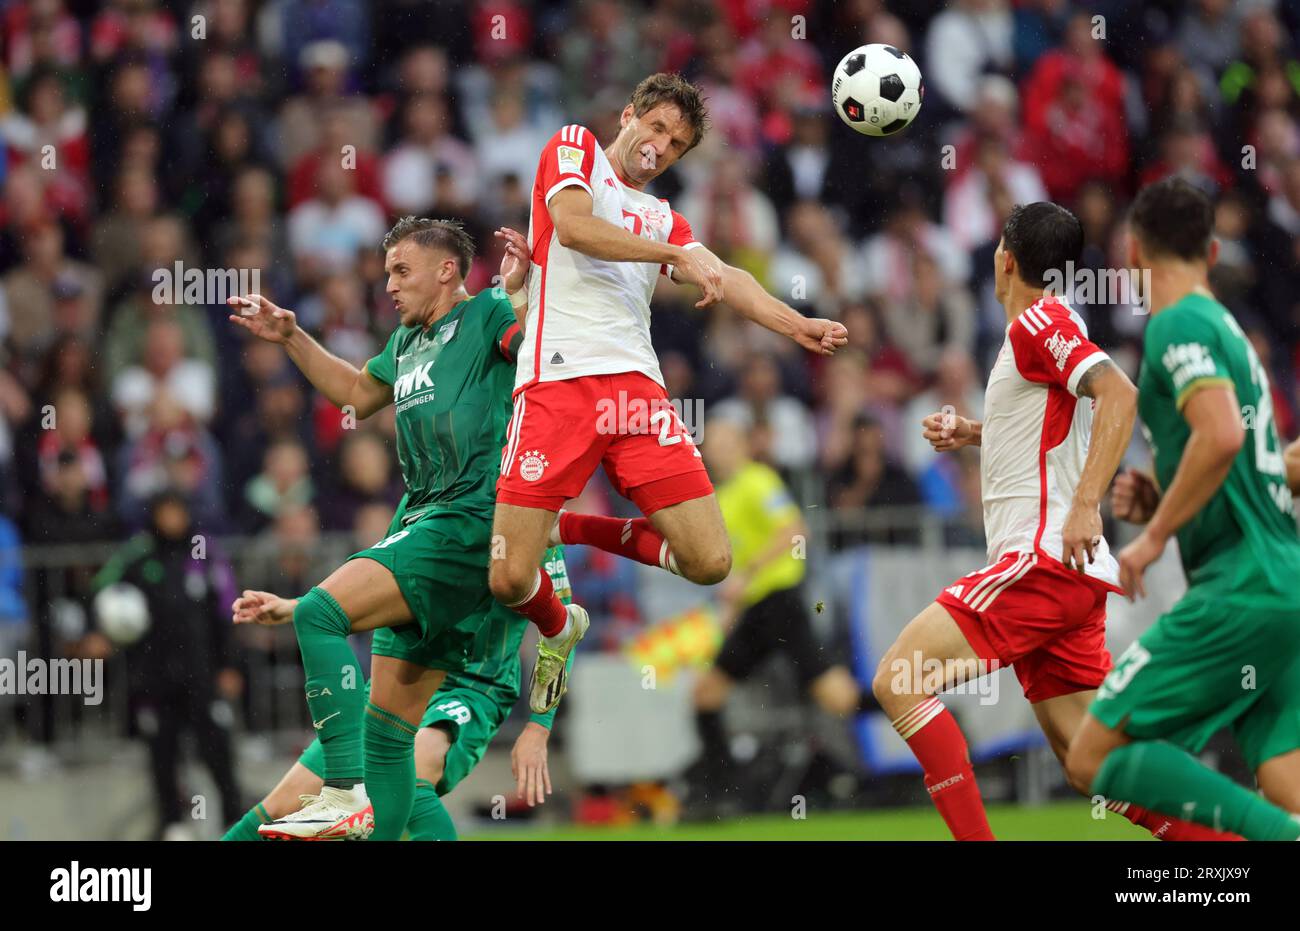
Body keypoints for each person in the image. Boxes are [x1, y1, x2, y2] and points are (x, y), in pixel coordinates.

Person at [488, 73, 848, 715]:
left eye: (676, 144)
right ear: (628, 115)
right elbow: (572, 228)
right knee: (510, 577)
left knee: (710, 561)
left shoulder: (663, 217)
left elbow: (726, 276)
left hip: (636, 393)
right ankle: (561, 623)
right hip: (557, 383)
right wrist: (672, 257)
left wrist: (799, 325)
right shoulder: (575, 149)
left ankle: (569, 527)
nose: (660, 145)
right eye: (655, 127)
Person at [876, 202, 1232, 841]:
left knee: (899, 679)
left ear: (1005, 258)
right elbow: (1055, 431)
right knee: (1089, 762)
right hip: (1070, 577)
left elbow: (1117, 393)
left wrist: (1086, 503)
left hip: (1041, 560)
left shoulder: (1037, 323)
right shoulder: (1049, 327)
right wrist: (976, 433)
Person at [222, 216, 564, 839]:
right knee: (390, 749)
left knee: (318, 614)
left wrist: (527, 293)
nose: (391, 288)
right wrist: (292, 337)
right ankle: (358, 793)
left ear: (447, 270)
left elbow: (543, 360)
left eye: (402, 272)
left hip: (468, 518)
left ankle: (340, 790)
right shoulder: (406, 344)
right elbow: (355, 392)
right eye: (386, 275)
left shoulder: (488, 313)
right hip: (424, 519)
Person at [1065, 178, 1300, 840]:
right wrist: (1166, 490)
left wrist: (1152, 535)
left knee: (1092, 755)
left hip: (1240, 587)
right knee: (1286, 781)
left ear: (1133, 252)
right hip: (1283, 583)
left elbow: (1222, 435)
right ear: (1213, 248)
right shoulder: (1229, 326)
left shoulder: (1177, 323)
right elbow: (1250, 452)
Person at [222, 496, 573, 841]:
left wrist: (538, 728)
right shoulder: (419, 499)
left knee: (412, 769)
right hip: (405, 675)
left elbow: (562, 631)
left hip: (473, 688)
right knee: (283, 805)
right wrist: (297, 607)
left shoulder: (524, 516)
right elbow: (381, 585)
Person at [686, 418, 859, 804]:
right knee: (705, 694)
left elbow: (795, 530)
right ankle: (722, 790)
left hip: (781, 604)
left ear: (743, 444)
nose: (717, 449)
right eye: (713, 442)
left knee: (838, 697)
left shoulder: (758, 480)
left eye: (726, 440)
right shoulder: (724, 495)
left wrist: (747, 574)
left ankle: (909, 711)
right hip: (756, 610)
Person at [92, 488, 243, 839]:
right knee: (162, 751)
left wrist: (230, 665)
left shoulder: (205, 552)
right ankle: (172, 822)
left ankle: (234, 818)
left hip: (202, 673)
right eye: (165, 511)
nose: (172, 519)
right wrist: (100, 629)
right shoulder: (138, 555)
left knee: (216, 746)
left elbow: (226, 611)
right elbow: (102, 590)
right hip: (154, 677)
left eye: (178, 510)